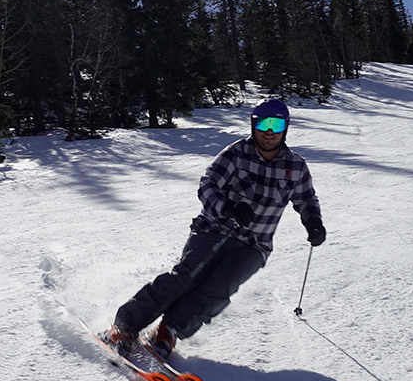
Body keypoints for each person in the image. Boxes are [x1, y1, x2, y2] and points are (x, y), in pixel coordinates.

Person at [102, 98, 327, 361]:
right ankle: (126, 324)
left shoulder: (295, 167)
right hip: (215, 228)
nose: (269, 131)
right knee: (187, 276)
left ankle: (168, 331)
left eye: (276, 124)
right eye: (263, 123)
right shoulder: (237, 153)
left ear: (285, 128)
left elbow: (307, 199)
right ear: (253, 125)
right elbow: (207, 185)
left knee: (220, 289)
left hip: (254, 244)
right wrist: (228, 208)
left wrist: (313, 222)